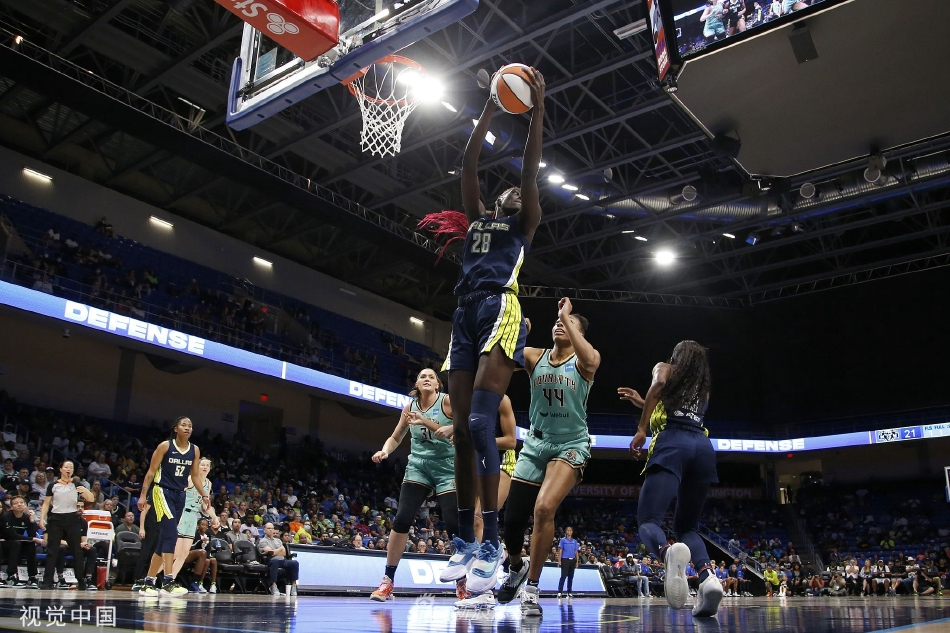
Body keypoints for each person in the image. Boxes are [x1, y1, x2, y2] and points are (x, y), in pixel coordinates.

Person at [431, 67, 546, 596]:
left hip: (502, 308)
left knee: (480, 422)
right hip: (463, 312)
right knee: (459, 430)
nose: (518, 195)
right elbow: (468, 161)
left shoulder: (523, 225)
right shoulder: (479, 216)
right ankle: (462, 540)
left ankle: (493, 543)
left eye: (524, 194)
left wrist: (536, 113)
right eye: (513, 194)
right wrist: (489, 112)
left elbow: (528, 170)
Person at [497, 300, 599, 618]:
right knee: (511, 520)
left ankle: (532, 589)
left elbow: (593, 357)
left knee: (543, 508)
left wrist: (565, 316)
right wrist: (519, 335)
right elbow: (500, 361)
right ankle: (517, 566)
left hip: (570, 445)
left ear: (576, 332)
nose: (559, 324)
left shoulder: (584, 363)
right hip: (536, 445)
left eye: (569, 324)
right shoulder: (535, 356)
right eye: (557, 323)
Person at [619, 341, 722, 618]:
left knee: (648, 520)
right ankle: (708, 577)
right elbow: (673, 405)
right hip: (702, 447)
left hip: (673, 443)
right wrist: (641, 401)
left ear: (676, 356)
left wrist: (641, 429)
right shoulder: (702, 388)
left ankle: (667, 555)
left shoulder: (664, 368)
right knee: (687, 526)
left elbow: (660, 385)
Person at [369, 368, 459, 601]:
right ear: (416, 385)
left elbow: (462, 427)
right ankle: (388, 581)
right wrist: (385, 450)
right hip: (419, 466)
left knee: (453, 524)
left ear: (438, 385)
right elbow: (396, 435)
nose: (427, 378)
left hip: (446, 467)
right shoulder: (409, 407)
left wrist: (427, 421)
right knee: (402, 519)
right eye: (422, 376)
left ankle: (463, 582)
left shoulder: (447, 402)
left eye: (431, 376)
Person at [137, 416, 207, 597]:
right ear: (176, 428)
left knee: (163, 540)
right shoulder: (165, 446)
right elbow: (151, 472)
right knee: (171, 535)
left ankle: (148, 582)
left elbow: (195, 476)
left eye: (190, 426)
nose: (187, 428)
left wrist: (205, 495)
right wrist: (143, 495)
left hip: (180, 494)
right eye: (184, 425)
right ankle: (168, 581)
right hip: (161, 492)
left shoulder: (194, 450)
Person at [38, 460, 95, 589]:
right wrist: (42, 518)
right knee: (52, 551)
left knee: (77, 551)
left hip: (72, 519)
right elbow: (46, 503)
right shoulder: (53, 485)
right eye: (66, 467)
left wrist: (85, 491)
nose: (69, 469)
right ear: (61, 469)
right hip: (56, 519)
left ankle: (81, 581)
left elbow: (91, 499)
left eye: (71, 467)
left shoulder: (76, 484)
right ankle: (47, 581)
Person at [170, 458, 218, 592]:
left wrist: (215, 517)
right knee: (175, 552)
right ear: (197, 466)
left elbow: (205, 505)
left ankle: (170, 582)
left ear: (210, 468)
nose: (204, 467)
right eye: (202, 464)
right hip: (182, 514)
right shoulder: (190, 479)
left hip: (193, 517)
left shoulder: (208, 483)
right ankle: (153, 578)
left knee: (184, 553)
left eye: (207, 465)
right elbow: (177, 494)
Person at [1, 495, 42, 588]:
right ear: (11, 507)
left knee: (30, 544)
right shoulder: (6, 517)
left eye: (21, 502)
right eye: (16, 503)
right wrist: (33, 539)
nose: (19, 504)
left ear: (25, 505)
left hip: (17, 543)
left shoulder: (26, 517)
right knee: (16, 543)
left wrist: (32, 521)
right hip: (4, 543)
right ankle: (11, 576)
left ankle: (32, 576)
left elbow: (32, 535)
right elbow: (12, 536)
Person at [259, 522, 299, 597]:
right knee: (275, 561)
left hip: (282, 560)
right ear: (264, 530)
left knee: (294, 563)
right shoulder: (263, 541)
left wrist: (276, 551)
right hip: (270, 560)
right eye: (268, 528)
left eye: (272, 528)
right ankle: (273, 586)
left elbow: (284, 553)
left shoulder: (278, 541)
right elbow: (270, 553)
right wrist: (279, 549)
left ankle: (293, 586)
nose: (271, 530)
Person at [557, 526, 581, 599]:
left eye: (570, 530)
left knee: (571, 577)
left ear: (572, 532)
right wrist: (559, 560)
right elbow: (560, 550)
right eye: (568, 530)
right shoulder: (562, 540)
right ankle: (559, 592)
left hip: (572, 560)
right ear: (566, 532)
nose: (569, 532)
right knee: (563, 576)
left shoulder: (574, 541)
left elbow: (576, 552)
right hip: (565, 559)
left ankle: (569, 592)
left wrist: (577, 561)